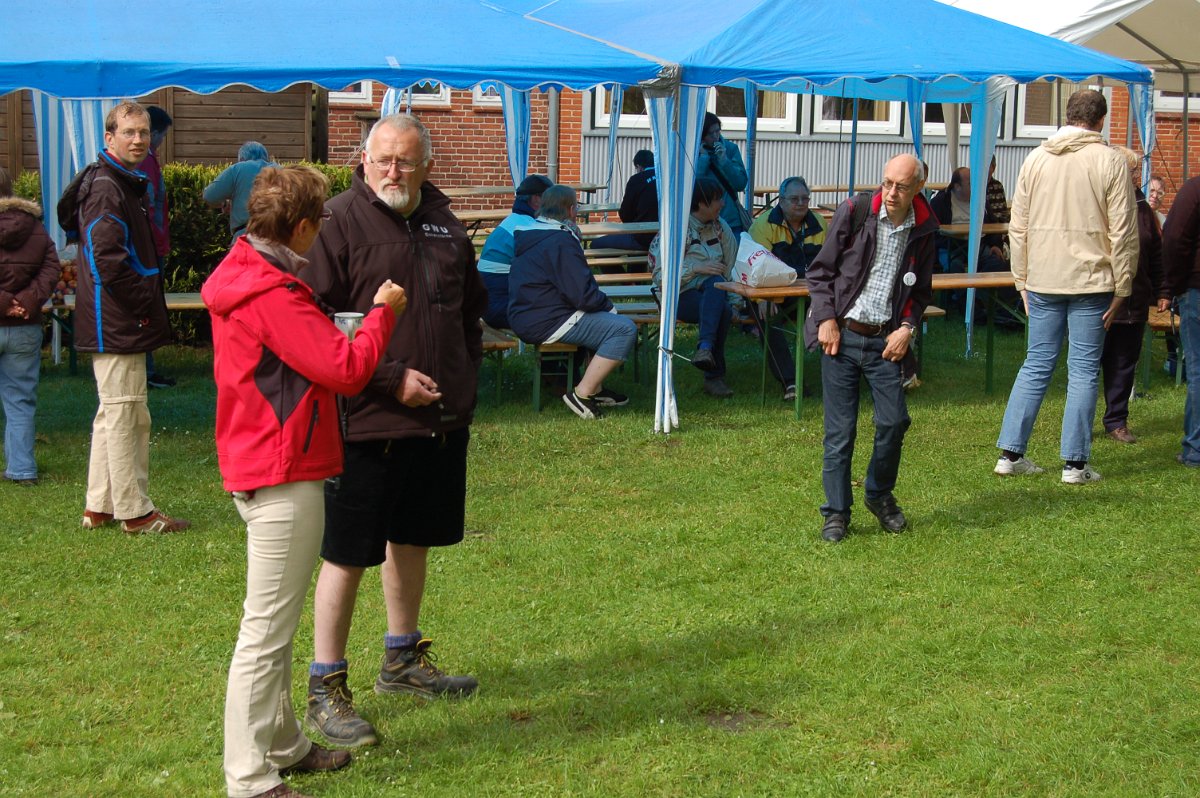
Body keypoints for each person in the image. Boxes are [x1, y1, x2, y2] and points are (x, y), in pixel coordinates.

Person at [204, 166, 407, 798]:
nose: (323, 231)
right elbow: (345, 369)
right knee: (264, 634)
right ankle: (249, 777)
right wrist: (381, 315)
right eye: (319, 220)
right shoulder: (271, 291)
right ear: (299, 227)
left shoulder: (249, 272)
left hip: (262, 460)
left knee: (275, 624)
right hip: (281, 469)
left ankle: (285, 745)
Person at [302, 113, 486, 748]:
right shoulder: (337, 221)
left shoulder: (444, 222)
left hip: (436, 421)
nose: (393, 171)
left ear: (427, 164)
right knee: (348, 552)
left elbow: (468, 312)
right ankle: (326, 684)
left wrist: (461, 384)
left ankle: (401, 660)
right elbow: (317, 323)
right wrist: (387, 379)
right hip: (365, 420)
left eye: (406, 160)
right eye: (382, 158)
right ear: (362, 159)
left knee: (414, 539)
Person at [994, 89, 1137, 485]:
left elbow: (1016, 227)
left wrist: (1021, 278)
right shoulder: (1109, 160)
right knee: (1083, 371)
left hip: (1043, 277)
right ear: (1101, 121)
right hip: (1091, 279)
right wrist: (1124, 286)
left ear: (1068, 115)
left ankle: (1010, 453)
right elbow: (1124, 231)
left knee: (1037, 364)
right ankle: (1074, 464)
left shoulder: (1036, 159)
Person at [803, 154, 937, 543]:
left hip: (885, 342)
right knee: (840, 432)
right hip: (841, 338)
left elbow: (921, 290)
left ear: (918, 189)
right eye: (887, 183)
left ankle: (878, 495)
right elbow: (820, 271)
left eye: (901, 186)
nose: (891, 193)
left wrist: (908, 327)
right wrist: (826, 319)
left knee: (895, 422)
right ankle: (836, 513)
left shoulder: (926, 228)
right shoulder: (855, 211)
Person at [72, 101, 191, 534]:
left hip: (114, 316)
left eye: (143, 132)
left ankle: (99, 505)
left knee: (113, 411)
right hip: (116, 318)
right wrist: (145, 300)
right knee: (128, 412)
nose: (138, 139)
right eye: (129, 133)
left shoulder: (119, 180)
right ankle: (135, 511)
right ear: (110, 139)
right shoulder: (108, 186)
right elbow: (109, 260)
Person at [508, 184, 636, 419]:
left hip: (528, 315)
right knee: (623, 329)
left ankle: (595, 389)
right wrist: (610, 308)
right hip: (545, 319)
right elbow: (582, 295)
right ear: (569, 209)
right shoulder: (560, 240)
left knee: (604, 321)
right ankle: (582, 394)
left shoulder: (533, 233)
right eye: (576, 207)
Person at [1100, 147, 1168, 444]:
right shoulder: (1098, 199)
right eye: (1130, 170)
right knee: (1091, 361)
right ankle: (1077, 422)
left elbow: (1156, 251)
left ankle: (1117, 420)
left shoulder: (1142, 206)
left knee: (1124, 360)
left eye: (1137, 170)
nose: (1135, 175)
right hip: (1099, 295)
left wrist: (1163, 290)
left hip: (1134, 297)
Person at [648, 177, 738, 398]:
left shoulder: (720, 227)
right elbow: (660, 276)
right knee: (720, 308)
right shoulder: (677, 229)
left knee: (720, 300)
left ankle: (705, 349)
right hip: (677, 297)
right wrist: (696, 267)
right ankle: (713, 375)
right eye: (718, 200)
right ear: (701, 204)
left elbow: (733, 265)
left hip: (713, 293)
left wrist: (737, 302)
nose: (723, 204)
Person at [0, 166, 60, 487]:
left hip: (12, 316)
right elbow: (51, 268)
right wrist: (27, 300)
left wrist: (4, 302)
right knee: (20, 399)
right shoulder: (35, 228)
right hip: (25, 325)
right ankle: (22, 469)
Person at [477, 174, 551, 329]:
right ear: (536, 199)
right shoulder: (527, 228)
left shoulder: (514, 221)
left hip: (490, 304)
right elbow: (545, 271)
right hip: (501, 308)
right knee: (566, 316)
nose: (554, 203)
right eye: (551, 197)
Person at [1162, 173, 1200, 468]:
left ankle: (1196, 449)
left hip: (1196, 288)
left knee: (1198, 370)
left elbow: (1174, 238)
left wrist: (1172, 285)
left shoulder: (1195, 189)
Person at [141, 105, 175, 388]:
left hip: (152, 245)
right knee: (148, 307)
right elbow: (149, 208)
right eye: (162, 135)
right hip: (150, 248)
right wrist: (156, 243)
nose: (162, 140)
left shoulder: (148, 159)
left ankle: (147, 369)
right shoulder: (146, 162)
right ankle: (147, 371)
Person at [747, 176, 826, 274]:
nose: (801, 203)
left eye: (805, 198)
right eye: (794, 199)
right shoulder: (763, 225)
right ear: (781, 201)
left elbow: (830, 260)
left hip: (813, 284)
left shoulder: (820, 223)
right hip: (776, 285)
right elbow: (762, 267)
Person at [204, 141, 277, 243]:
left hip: (245, 238)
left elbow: (209, 196)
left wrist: (225, 203)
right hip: (277, 237)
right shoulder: (280, 170)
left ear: (241, 159)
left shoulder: (237, 168)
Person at [591, 149, 658, 252]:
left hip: (642, 238)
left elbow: (625, 213)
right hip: (664, 238)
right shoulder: (667, 179)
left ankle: (617, 269)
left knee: (595, 244)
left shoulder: (636, 180)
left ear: (639, 166)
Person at [696, 112, 749, 235]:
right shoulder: (693, 151)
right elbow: (693, 185)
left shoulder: (730, 149)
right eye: (710, 133)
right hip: (704, 220)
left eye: (718, 131)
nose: (716, 136)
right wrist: (703, 158)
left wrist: (725, 162)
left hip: (731, 219)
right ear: (702, 135)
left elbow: (741, 183)